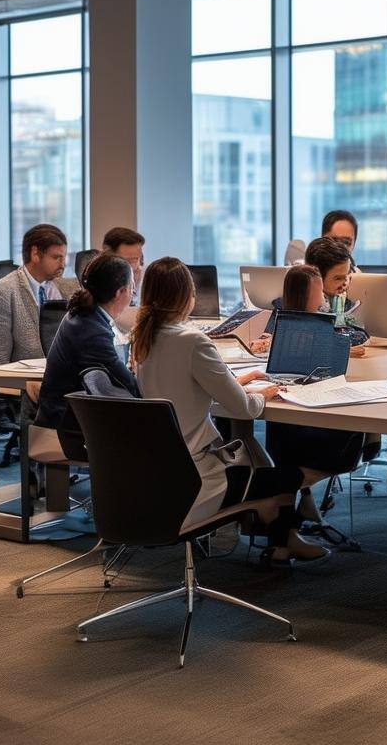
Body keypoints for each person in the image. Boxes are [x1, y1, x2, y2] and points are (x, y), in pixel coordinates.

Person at [131, 257, 326, 562]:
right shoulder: (192, 340)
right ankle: (279, 534)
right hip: (197, 480)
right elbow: (245, 409)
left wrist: (237, 380)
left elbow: (183, 386)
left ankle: (280, 538)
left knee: (257, 459)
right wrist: (265, 393)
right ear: (186, 296)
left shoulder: (143, 338)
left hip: (161, 475)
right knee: (289, 475)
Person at [266, 263, 366, 524]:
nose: (324, 298)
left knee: (279, 435)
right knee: (356, 427)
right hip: (316, 437)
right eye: (320, 292)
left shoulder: (282, 322)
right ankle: (291, 493)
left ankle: (292, 520)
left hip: (285, 433)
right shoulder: (320, 329)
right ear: (311, 295)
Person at [37, 254, 140, 459]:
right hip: (67, 430)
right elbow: (130, 386)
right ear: (120, 292)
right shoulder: (92, 330)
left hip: (69, 418)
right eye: (131, 288)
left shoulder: (85, 316)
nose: (134, 293)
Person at [0, 223, 79, 368]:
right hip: (24, 379)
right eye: (56, 257)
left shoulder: (70, 288)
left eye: (63, 258)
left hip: (68, 374)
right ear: (35, 254)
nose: (62, 265)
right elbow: (0, 359)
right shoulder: (3, 291)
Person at [303, 237, 368, 352]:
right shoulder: (301, 305)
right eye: (338, 278)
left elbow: (359, 333)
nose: (345, 283)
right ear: (315, 277)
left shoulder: (342, 300)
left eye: (347, 275)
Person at [101, 227, 145, 305]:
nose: (135, 266)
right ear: (107, 257)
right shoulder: (95, 283)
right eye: (128, 261)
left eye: (137, 259)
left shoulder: (147, 278)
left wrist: (134, 287)